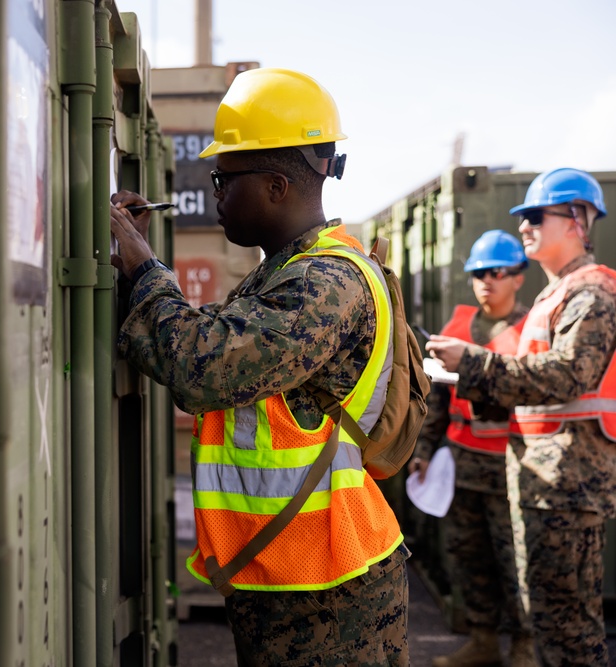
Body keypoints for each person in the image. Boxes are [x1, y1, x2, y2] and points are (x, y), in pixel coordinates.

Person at [109, 67, 409, 666]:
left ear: (275, 185)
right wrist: (132, 273)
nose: (214, 193)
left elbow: (203, 368)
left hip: (330, 587)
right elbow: (192, 348)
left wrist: (145, 271)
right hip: (295, 571)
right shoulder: (286, 273)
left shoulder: (327, 284)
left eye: (222, 179)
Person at [427, 168, 615, 666]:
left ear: (577, 218)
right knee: (553, 623)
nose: (525, 226)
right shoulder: (557, 296)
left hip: (568, 486)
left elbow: (567, 375)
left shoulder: (591, 295)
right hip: (544, 482)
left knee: (570, 632)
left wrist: (471, 364)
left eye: (535, 216)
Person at [408, 230, 536, 666]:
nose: (487, 281)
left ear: (519, 277)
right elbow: (437, 402)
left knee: (516, 566)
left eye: (498, 272)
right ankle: (483, 642)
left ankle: (524, 647)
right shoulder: (457, 328)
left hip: (513, 471)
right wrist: (423, 451)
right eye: (479, 273)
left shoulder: (531, 331)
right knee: (469, 558)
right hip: (462, 468)